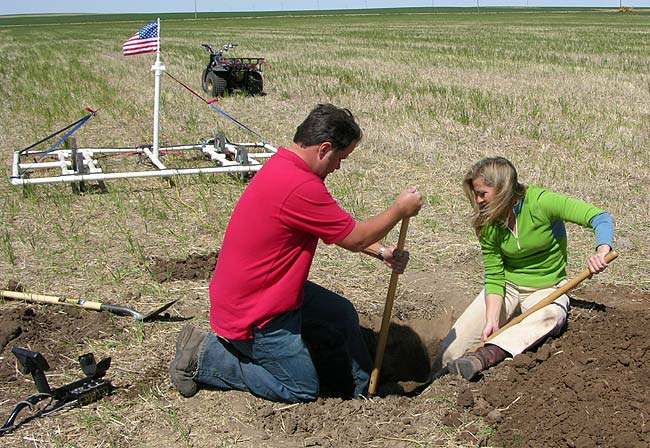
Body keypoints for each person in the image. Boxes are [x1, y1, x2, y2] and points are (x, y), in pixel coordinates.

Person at [170, 103, 422, 402]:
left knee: (340, 314)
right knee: (300, 389)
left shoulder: (284, 167)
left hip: (265, 291)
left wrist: (382, 252)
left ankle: (363, 390)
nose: (338, 167)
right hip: (257, 313)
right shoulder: (300, 186)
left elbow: (338, 230)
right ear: (324, 148)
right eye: (340, 158)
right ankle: (205, 355)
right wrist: (399, 210)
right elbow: (354, 239)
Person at [432, 156, 613, 381]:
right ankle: (434, 381)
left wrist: (602, 250)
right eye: (476, 194)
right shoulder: (487, 222)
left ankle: (488, 355)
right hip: (507, 287)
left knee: (551, 316)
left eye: (482, 194)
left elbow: (599, 217)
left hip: (546, 288)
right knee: (451, 350)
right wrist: (491, 319)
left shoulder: (541, 202)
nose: (478, 200)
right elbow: (495, 275)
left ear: (502, 189)